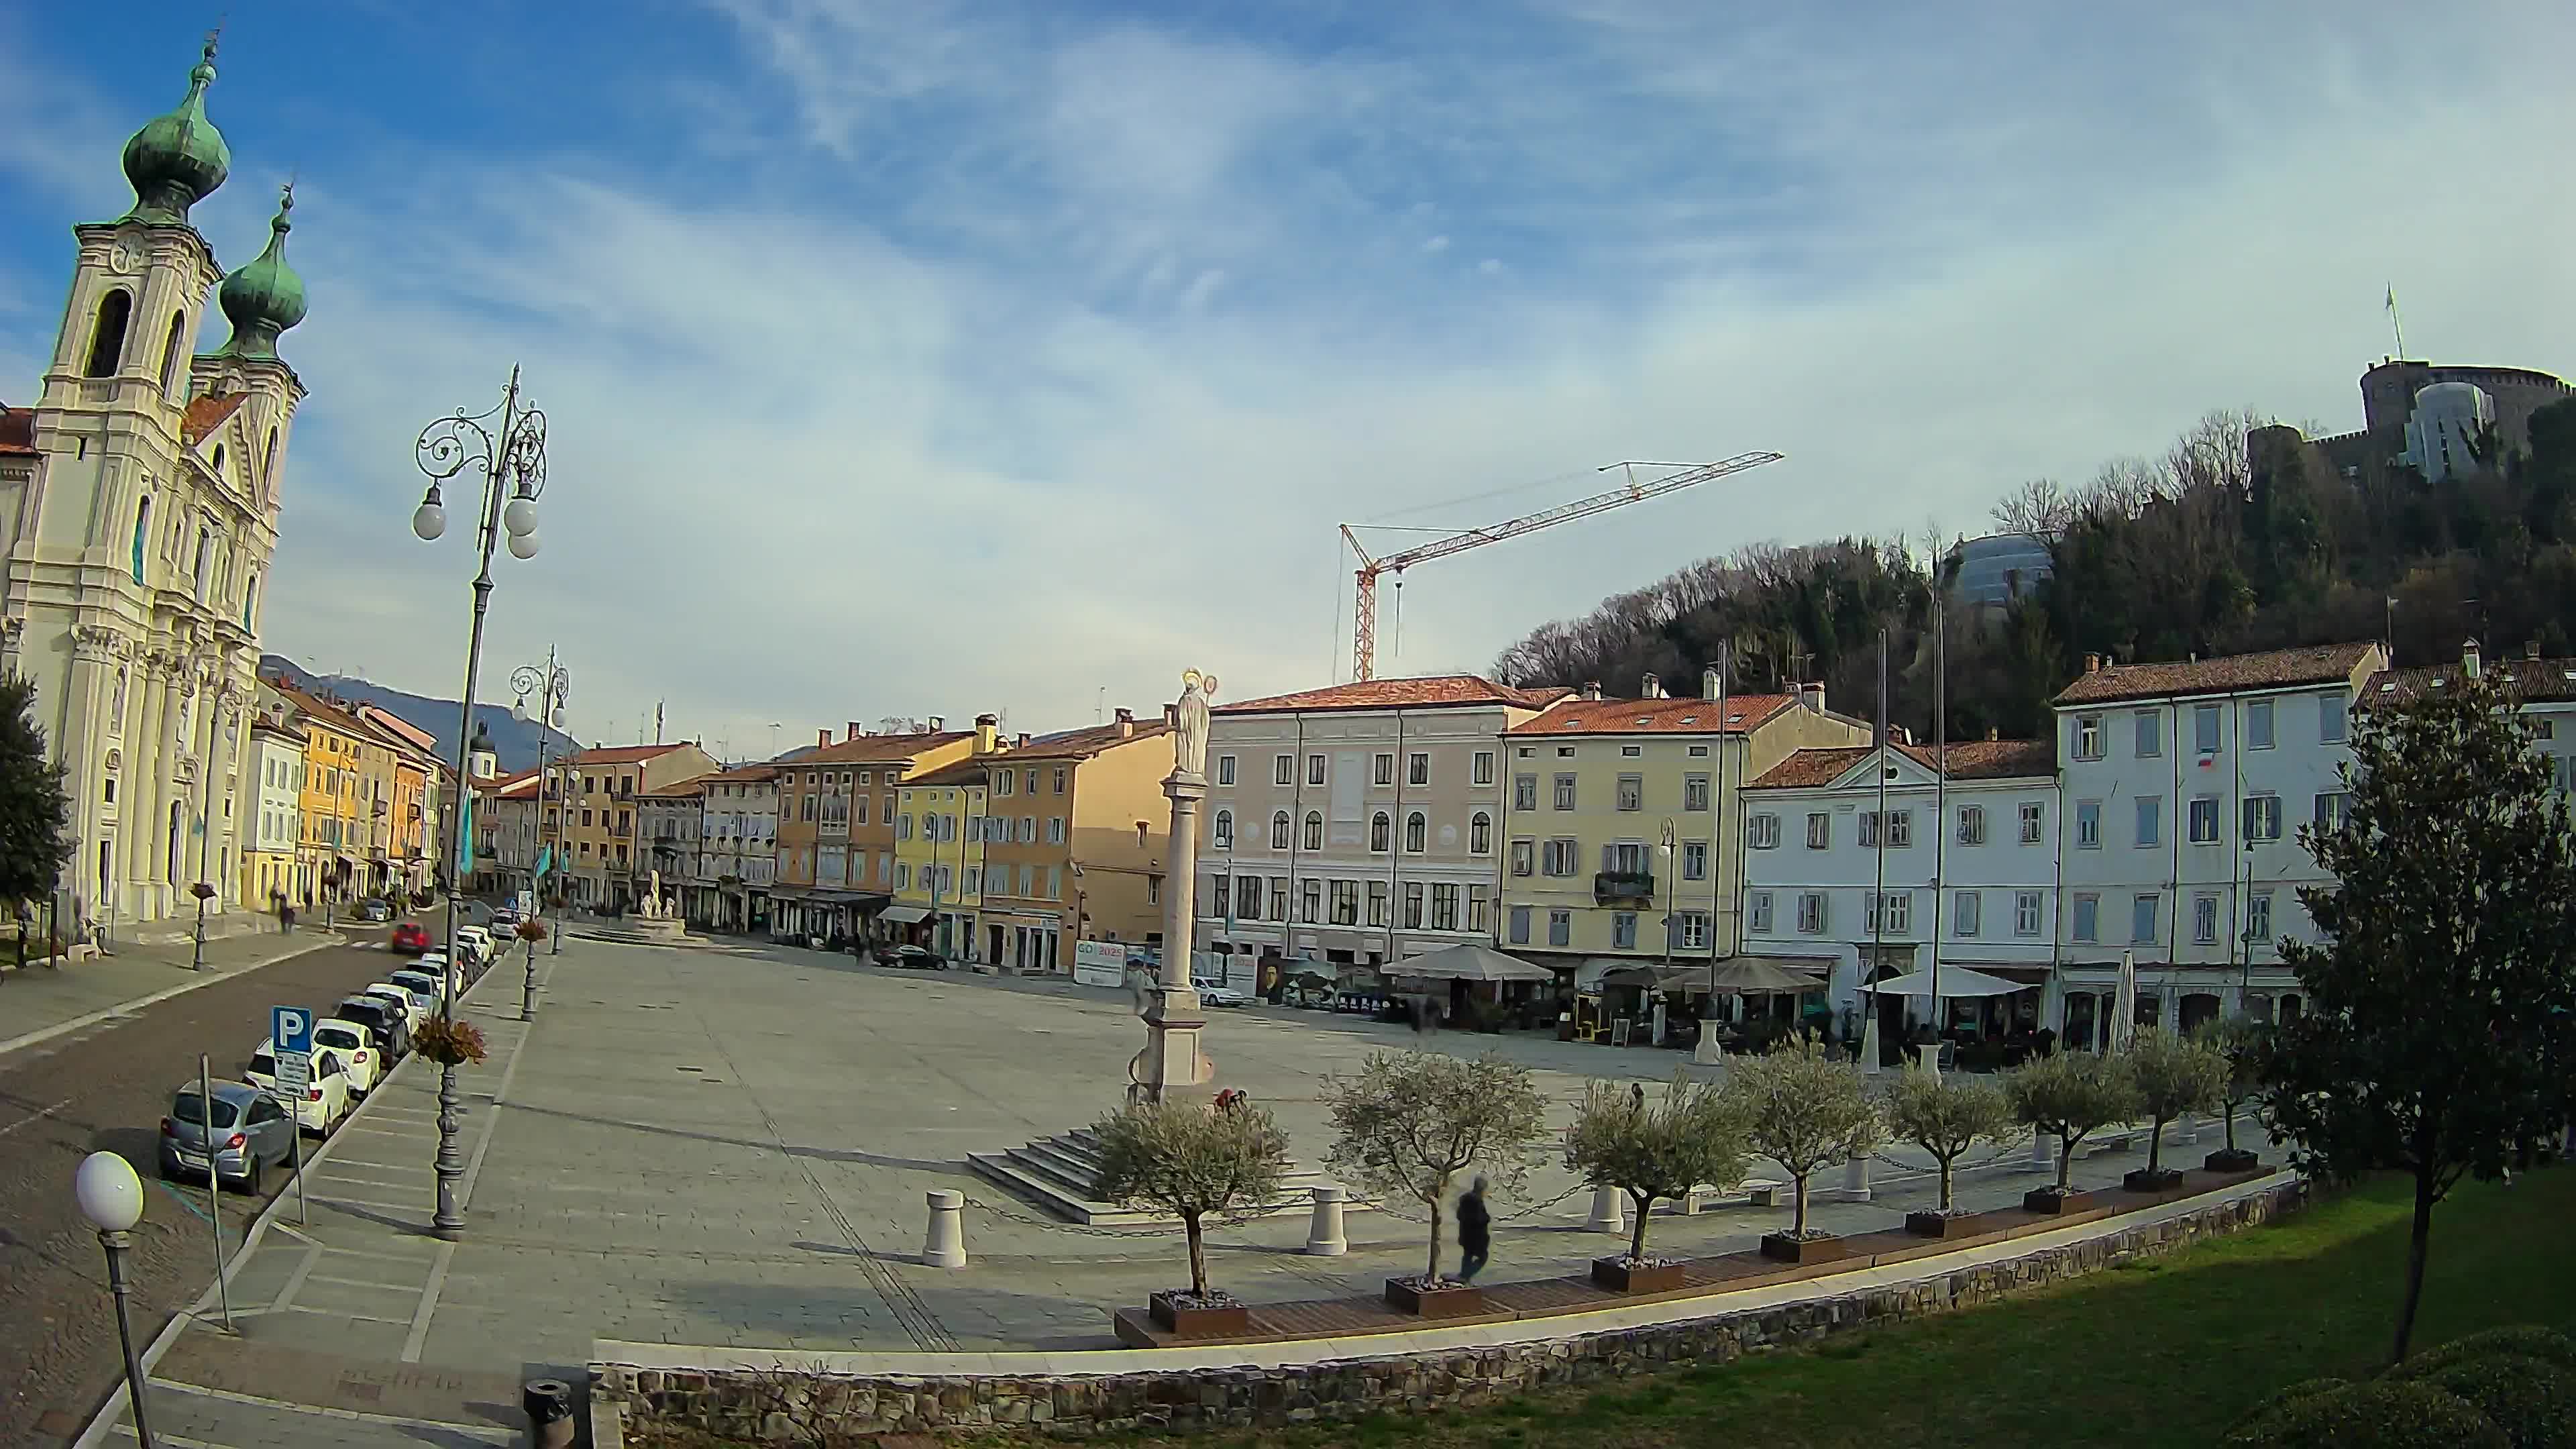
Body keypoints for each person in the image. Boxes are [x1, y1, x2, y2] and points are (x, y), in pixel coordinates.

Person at [1454, 1177, 1491, 1283]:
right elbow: (1479, 1219)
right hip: (1477, 1238)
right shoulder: (1477, 1202)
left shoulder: (1465, 1199)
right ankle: (1465, 1276)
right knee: (1483, 1258)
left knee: (1467, 1256)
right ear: (1482, 1189)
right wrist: (1487, 1218)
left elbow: (1459, 1215)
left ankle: (1464, 1278)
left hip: (1466, 1235)